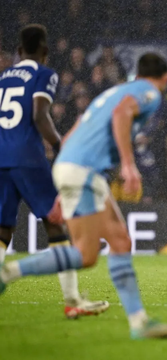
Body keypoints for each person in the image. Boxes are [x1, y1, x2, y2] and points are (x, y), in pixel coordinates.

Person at [0, 52, 167, 339]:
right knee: (91, 252)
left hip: (74, 168)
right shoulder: (149, 92)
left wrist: (63, 180)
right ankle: (7, 274)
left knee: (109, 246)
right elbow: (123, 114)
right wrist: (128, 164)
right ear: (164, 78)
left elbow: (76, 129)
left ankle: (139, 323)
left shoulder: (116, 90)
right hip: (84, 171)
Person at [0, 24, 108, 318]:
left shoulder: (3, 78)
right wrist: (60, 145)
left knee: (3, 229)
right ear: (45, 52)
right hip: (27, 157)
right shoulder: (44, 74)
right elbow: (39, 113)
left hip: (1, 157)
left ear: (18, 51)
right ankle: (73, 300)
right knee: (56, 225)